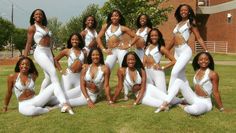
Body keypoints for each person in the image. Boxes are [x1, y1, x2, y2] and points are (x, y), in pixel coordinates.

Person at [155, 4, 208, 112]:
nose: (183, 11)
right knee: (181, 76)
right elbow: (174, 40)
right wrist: (167, 50)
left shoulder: (190, 23)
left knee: (174, 72)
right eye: (181, 10)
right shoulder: (178, 24)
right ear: (179, 12)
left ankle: (167, 100)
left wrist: (206, 50)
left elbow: (198, 37)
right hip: (176, 52)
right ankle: (189, 98)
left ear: (189, 12)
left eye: (186, 10)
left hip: (185, 51)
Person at [23, 9, 73, 114]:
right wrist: (25, 57)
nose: (38, 15)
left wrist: (53, 56)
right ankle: (64, 103)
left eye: (40, 14)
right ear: (33, 16)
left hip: (48, 52)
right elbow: (28, 43)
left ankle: (40, 100)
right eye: (36, 14)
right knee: (53, 73)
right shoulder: (32, 28)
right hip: (39, 52)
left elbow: (49, 44)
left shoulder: (46, 28)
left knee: (48, 78)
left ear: (43, 16)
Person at [3, 57, 73, 116]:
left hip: (36, 99)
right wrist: (5, 107)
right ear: (19, 65)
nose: (24, 66)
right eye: (22, 64)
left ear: (30, 67)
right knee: (32, 112)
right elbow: (9, 93)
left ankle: (64, 104)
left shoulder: (33, 75)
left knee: (55, 84)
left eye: (27, 65)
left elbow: (45, 73)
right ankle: (49, 109)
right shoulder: (12, 77)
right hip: (23, 104)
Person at [112, 51, 181, 107]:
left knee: (167, 99)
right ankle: (176, 104)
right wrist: (112, 100)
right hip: (138, 94)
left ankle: (182, 101)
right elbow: (119, 86)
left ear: (136, 60)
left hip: (148, 88)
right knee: (159, 104)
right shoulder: (121, 71)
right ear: (125, 60)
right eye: (129, 60)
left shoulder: (141, 70)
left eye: (132, 59)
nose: (131, 61)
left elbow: (143, 87)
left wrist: (135, 102)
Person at [143, 28, 176, 93]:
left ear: (159, 37)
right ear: (149, 37)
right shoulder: (147, 47)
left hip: (157, 72)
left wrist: (162, 67)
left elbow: (174, 60)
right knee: (151, 93)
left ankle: (181, 100)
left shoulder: (161, 48)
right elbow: (144, 61)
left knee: (162, 95)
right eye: (152, 36)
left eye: (156, 35)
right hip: (147, 72)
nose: (154, 37)